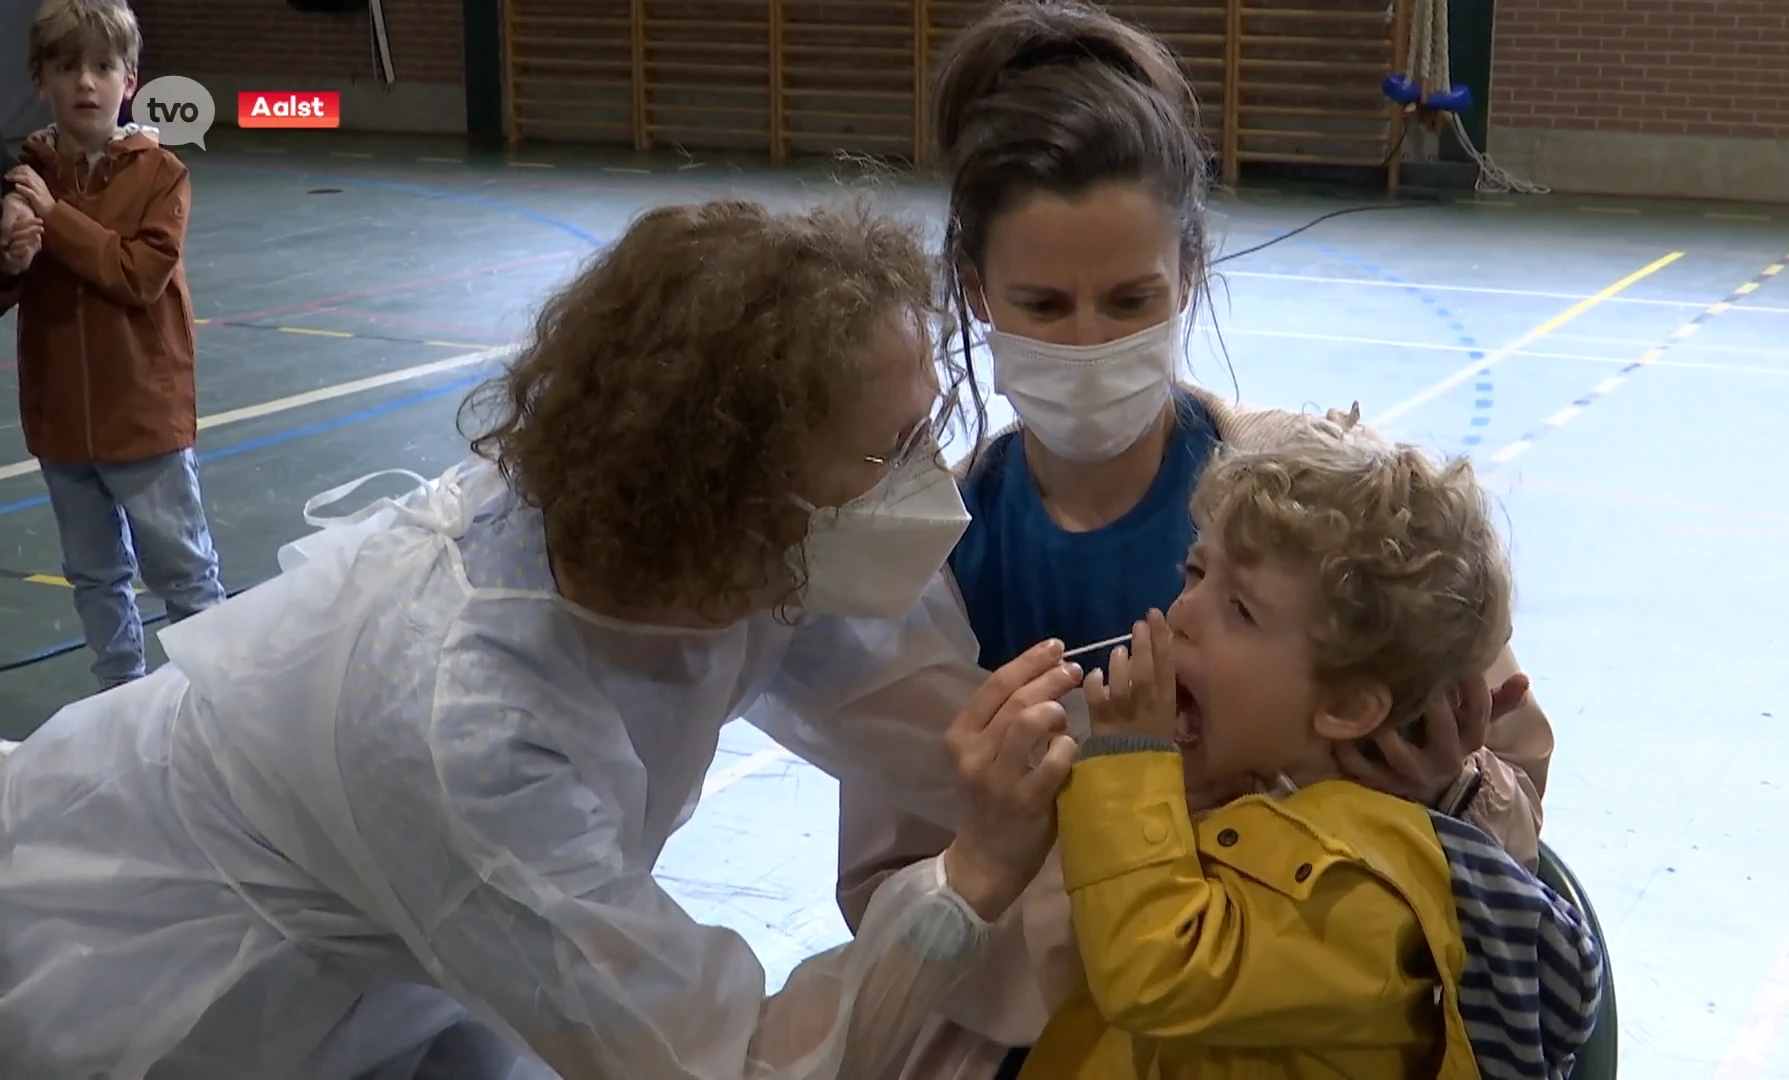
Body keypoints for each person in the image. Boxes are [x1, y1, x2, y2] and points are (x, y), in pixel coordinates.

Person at [0, 198, 1082, 1079]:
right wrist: (969, 878)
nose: (929, 479)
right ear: (736, 485)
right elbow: (721, 1062)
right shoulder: (464, 720)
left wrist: (1146, 760)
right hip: (154, 962)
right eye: (890, 448)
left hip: (392, 947)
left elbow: (921, 706)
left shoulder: (743, 544)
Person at [805, 3, 1559, 1077]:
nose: (1087, 342)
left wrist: (1455, 806)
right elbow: (892, 899)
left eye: (1128, 300)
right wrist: (1081, 868)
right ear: (974, 289)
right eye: (1042, 303)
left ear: (1188, 274)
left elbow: (1511, 802)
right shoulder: (932, 561)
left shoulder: (1321, 496)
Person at [1022, 419, 1604, 1078]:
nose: (1182, 613)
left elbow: (1153, 972)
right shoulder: (1249, 794)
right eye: (1195, 571)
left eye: (1240, 609)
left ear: (1348, 707)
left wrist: (1128, 764)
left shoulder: (1360, 889)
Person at [0, 0, 226, 693]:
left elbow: (137, 275)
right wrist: (11, 258)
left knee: (183, 571)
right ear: (42, 81)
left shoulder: (162, 177)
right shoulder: (25, 176)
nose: (86, 84)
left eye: (103, 67)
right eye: (67, 68)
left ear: (130, 80)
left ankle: (216, 698)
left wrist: (53, 217)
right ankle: (119, 698)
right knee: (94, 574)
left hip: (143, 420)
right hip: (62, 422)